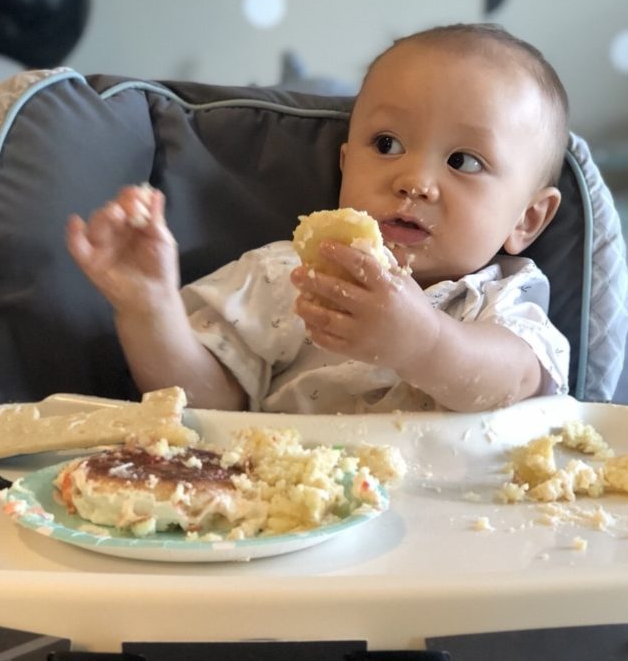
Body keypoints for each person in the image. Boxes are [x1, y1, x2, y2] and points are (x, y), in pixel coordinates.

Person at [66, 23, 571, 415]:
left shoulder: (502, 301)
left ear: (526, 220)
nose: (414, 181)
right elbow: (205, 408)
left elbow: (516, 381)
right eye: (387, 145)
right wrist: (150, 309)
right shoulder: (287, 277)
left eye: (463, 161)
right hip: (292, 504)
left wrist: (423, 343)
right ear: (346, 164)